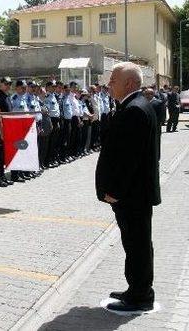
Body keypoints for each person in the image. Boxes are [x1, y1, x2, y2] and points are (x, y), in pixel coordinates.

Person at [96, 62, 160, 312]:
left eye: (113, 80)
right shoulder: (135, 105)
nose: (109, 84)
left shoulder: (134, 109)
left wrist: (115, 191)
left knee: (137, 244)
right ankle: (137, 288)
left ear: (130, 84)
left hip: (132, 194)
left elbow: (128, 159)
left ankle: (141, 295)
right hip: (135, 192)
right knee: (135, 243)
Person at [0, 77, 13, 187]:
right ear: (1, 84)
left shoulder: (7, 97)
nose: (8, 85)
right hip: (0, 130)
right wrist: (1, 130)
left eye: (10, 83)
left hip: (8, 129)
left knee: (4, 154)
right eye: (6, 83)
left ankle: (2, 176)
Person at [9, 80, 29, 182]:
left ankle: (20, 172)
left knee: (22, 151)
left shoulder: (24, 98)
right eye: (23, 87)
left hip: (24, 128)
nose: (25, 89)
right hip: (16, 128)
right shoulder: (14, 98)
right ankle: (14, 175)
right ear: (17, 88)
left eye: (25, 87)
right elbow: (11, 113)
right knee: (16, 152)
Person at [143, 88, 164, 160]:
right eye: (145, 94)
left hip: (155, 127)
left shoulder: (158, 103)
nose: (146, 96)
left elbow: (161, 116)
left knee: (156, 143)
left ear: (152, 94)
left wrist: (156, 124)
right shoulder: (143, 102)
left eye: (148, 94)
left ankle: (156, 157)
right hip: (145, 127)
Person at [44, 81, 61, 167]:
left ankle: (52, 159)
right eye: (52, 86)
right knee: (50, 142)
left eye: (54, 86)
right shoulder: (46, 96)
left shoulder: (54, 96)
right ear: (47, 87)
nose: (54, 88)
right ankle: (47, 161)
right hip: (50, 120)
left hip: (56, 120)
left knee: (54, 141)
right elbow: (48, 111)